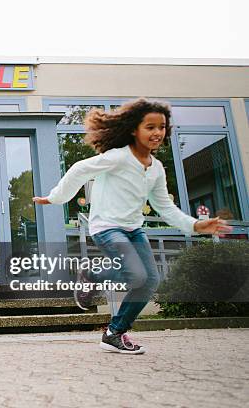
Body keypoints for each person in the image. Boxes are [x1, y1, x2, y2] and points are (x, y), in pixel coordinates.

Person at [33, 98, 231, 354]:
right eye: (150, 127)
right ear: (134, 130)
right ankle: (92, 275)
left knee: (149, 281)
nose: (157, 132)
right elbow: (79, 169)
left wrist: (196, 225)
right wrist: (56, 198)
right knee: (136, 275)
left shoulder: (156, 169)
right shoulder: (118, 157)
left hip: (133, 229)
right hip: (106, 227)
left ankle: (114, 332)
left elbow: (165, 207)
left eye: (161, 127)